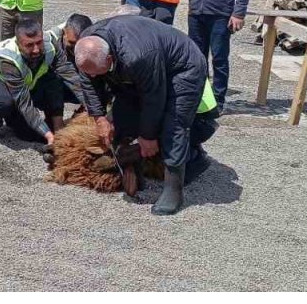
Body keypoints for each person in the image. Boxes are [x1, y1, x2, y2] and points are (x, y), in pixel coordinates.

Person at [73, 14, 218, 216]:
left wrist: (147, 136)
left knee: (173, 125)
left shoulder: (137, 56)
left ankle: (174, 191)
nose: (95, 76)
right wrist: (100, 117)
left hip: (183, 67)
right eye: (91, 72)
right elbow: (89, 83)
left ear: (109, 58)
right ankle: (135, 159)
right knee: (123, 114)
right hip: (142, 66)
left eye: (98, 72)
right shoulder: (87, 47)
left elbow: (154, 98)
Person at [0, 19, 85, 148]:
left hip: (24, 81)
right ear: (18, 44)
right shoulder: (7, 60)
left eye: (39, 42)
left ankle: (51, 123)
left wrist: (92, 106)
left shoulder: (51, 44)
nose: (36, 49)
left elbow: (69, 74)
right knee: (4, 101)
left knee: (54, 81)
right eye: (29, 45)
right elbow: (24, 102)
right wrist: (49, 136)